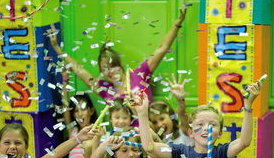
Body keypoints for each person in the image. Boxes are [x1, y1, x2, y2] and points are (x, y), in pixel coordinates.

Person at [48, 6, 187, 103]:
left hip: (147, 135)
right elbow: (79, 70)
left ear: (119, 65)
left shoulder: (139, 74)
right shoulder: (105, 89)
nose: (110, 71)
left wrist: (177, 25)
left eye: (112, 66)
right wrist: (57, 49)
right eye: (104, 69)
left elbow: (161, 49)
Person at [148, 73, 193, 158]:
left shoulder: (183, 133)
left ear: (171, 117)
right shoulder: (159, 140)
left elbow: (183, 118)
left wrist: (180, 100)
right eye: (155, 122)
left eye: (162, 119)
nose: (159, 124)